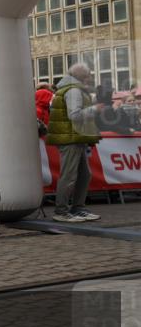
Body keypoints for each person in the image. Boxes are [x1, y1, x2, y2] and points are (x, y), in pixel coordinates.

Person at [47, 63, 103, 222]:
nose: (91, 77)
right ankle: (62, 211)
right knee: (69, 175)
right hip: (71, 138)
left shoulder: (71, 88)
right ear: (81, 76)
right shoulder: (73, 90)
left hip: (75, 137)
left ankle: (78, 208)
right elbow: (75, 115)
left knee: (84, 175)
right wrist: (95, 109)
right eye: (89, 75)